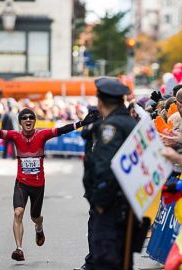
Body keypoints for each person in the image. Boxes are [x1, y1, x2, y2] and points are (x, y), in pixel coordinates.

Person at [0, 106, 99, 262]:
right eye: (24, 118)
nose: (28, 120)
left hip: (38, 185)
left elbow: (62, 130)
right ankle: (19, 249)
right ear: (20, 122)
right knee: (17, 213)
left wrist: (82, 123)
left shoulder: (42, 135)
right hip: (21, 183)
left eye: (31, 117)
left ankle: (39, 227)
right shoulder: (15, 136)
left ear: (34, 121)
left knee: (35, 217)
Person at [91, 77, 146, 270]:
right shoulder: (131, 123)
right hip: (129, 205)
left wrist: (99, 203)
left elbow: (106, 169)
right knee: (123, 261)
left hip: (112, 208)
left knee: (107, 261)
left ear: (100, 101)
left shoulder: (111, 127)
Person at [76, 106, 102, 270]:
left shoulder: (113, 126)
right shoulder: (93, 125)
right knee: (94, 224)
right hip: (95, 183)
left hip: (107, 186)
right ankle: (91, 261)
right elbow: (84, 134)